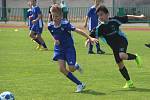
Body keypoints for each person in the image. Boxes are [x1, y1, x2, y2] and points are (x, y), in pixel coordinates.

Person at [86, 5, 143, 88]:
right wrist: (88, 39)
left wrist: (139, 17)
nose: (100, 17)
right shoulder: (100, 28)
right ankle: (129, 82)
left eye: (101, 14)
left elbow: (127, 17)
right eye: (98, 15)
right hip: (114, 47)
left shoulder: (114, 20)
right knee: (120, 65)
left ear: (107, 14)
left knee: (122, 55)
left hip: (122, 40)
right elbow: (91, 35)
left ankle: (135, 57)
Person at [48, 4, 98, 92]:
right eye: (53, 16)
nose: (54, 18)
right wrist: (55, 40)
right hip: (59, 49)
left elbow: (78, 30)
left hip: (69, 48)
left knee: (71, 69)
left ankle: (76, 66)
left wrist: (89, 38)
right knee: (62, 69)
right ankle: (80, 84)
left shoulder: (65, 24)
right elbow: (53, 33)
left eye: (56, 16)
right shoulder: (50, 26)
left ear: (61, 16)